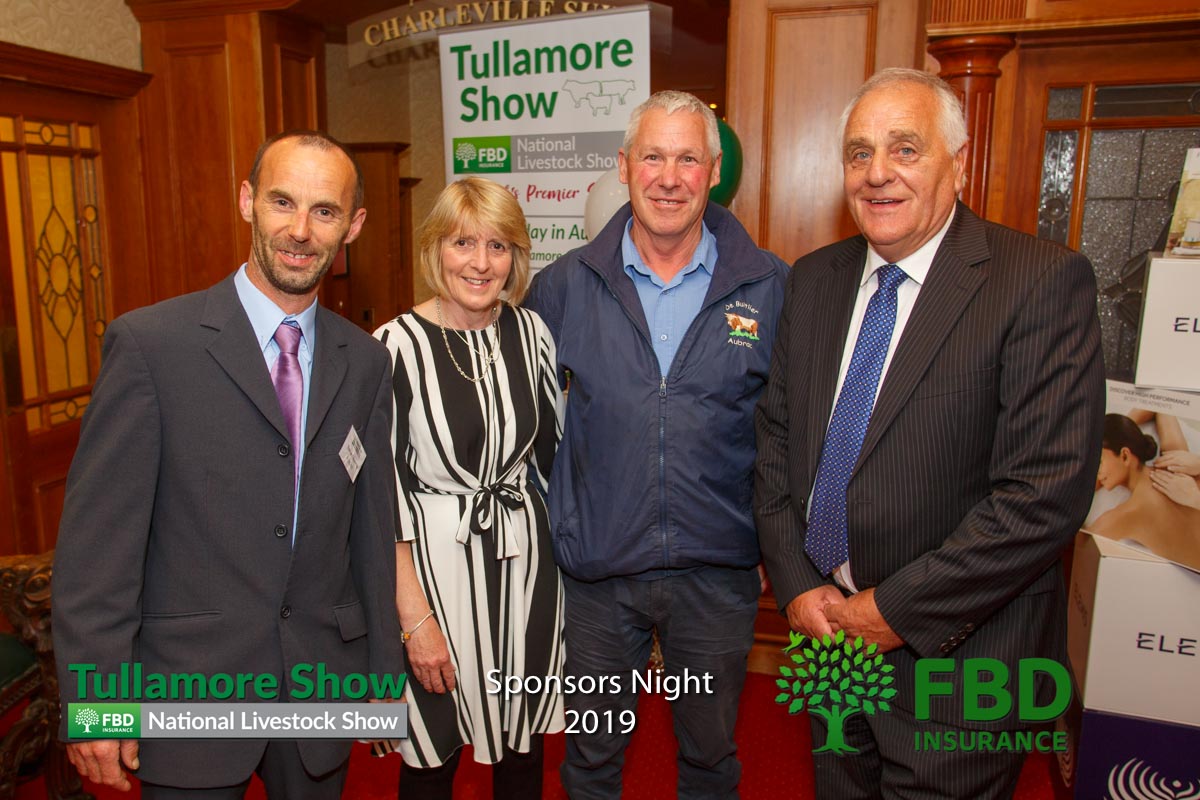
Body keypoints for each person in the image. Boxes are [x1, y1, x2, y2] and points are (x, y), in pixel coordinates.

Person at [754, 68, 1105, 799]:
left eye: (905, 149)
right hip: (829, 636)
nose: (877, 173)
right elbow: (777, 444)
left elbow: (1043, 495)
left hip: (960, 657)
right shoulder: (814, 279)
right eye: (859, 153)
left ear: (960, 162)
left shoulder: (1038, 282)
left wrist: (893, 611)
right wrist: (797, 585)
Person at [52, 130, 402, 798]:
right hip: (189, 689)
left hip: (319, 684)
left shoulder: (366, 361)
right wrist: (97, 705)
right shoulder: (151, 346)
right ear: (247, 201)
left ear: (353, 226)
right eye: (282, 202)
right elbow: (98, 551)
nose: (300, 231)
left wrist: (382, 671)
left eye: (324, 211)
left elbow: (369, 527)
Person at [526, 90, 789, 799]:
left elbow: (787, 433)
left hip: (716, 575)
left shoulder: (769, 286)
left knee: (710, 759)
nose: (669, 178)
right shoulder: (562, 287)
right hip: (597, 574)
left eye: (688, 159)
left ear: (713, 172)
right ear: (624, 167)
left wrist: (776, 546)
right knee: (591, 760)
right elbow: (526, 429)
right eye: (652, 157)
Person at [371, 176, 564, 799]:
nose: (481, 263)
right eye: (462, 243)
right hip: (435, 576)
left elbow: (554, 457)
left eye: (498, 246)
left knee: (523, 748)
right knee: (432, 753)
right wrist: (413, 619)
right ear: (436, 249)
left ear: (516, 257)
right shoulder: (394, 347)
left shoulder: (531, 333)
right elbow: (379, 496)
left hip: (526, 570)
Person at [1090, 411, 1200, 567]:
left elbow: (1077, 546)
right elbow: (1162, 408)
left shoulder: (1129, 514)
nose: (1096, 472)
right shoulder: (1175, 464)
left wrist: (1115, 431)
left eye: (1099, 462)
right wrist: (1118, 430)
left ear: (1125, 455)